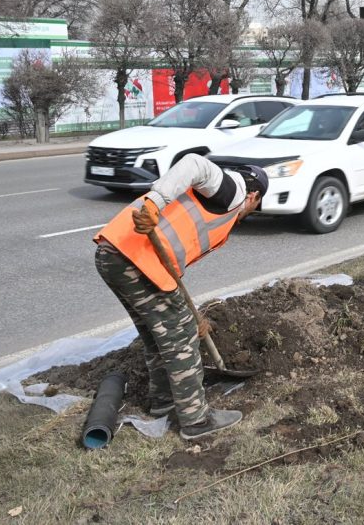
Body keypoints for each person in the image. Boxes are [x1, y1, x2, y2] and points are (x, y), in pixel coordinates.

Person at [94, 155, 269, 440]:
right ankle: (196, 420)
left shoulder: (218, 205)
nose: (250, 212)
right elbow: (195, 163)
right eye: (255, 207)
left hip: (113, 255)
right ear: (254, 196)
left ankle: (163, 402)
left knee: (158, 334)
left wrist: (191, 315)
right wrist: (154, 204)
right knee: (182, 336)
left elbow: (175, 247)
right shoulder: (233, 191)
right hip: (137, 260)